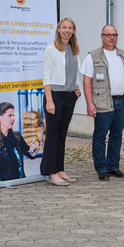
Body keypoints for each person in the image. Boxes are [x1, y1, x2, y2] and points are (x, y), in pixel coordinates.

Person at [81, 25, 124, 181]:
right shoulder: (93, 56)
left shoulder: (123, 55)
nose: (111, 37)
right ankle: (101, 168)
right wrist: (90, 103)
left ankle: (113, 166)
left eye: (114, 34)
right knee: (100, 136)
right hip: (102, 101)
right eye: (108, 35)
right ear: (102, 36)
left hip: (121, 100)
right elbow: (87, 80)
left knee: (117, 135)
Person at [41, 18, 81, 186]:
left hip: (69, 96)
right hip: (55, 96)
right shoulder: (51, 49)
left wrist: (76, 87)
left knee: (62, 135)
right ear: (58, 29)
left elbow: (73, 72)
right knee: (53, 136)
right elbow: (46, 76)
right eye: (64, 27)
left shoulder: (73, 49)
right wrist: (49, 100)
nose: (67, 30)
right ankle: (51, 173)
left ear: (73, 31)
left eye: (70, 28)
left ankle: (60, 169)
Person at [0, 102, 38, 182]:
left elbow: (31, 155)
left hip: (20, 183)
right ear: (0, 118)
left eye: (13, 115)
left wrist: (33, 149)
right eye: (9, 115)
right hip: (2, 186)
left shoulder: (17, 137)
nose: (13, 118)